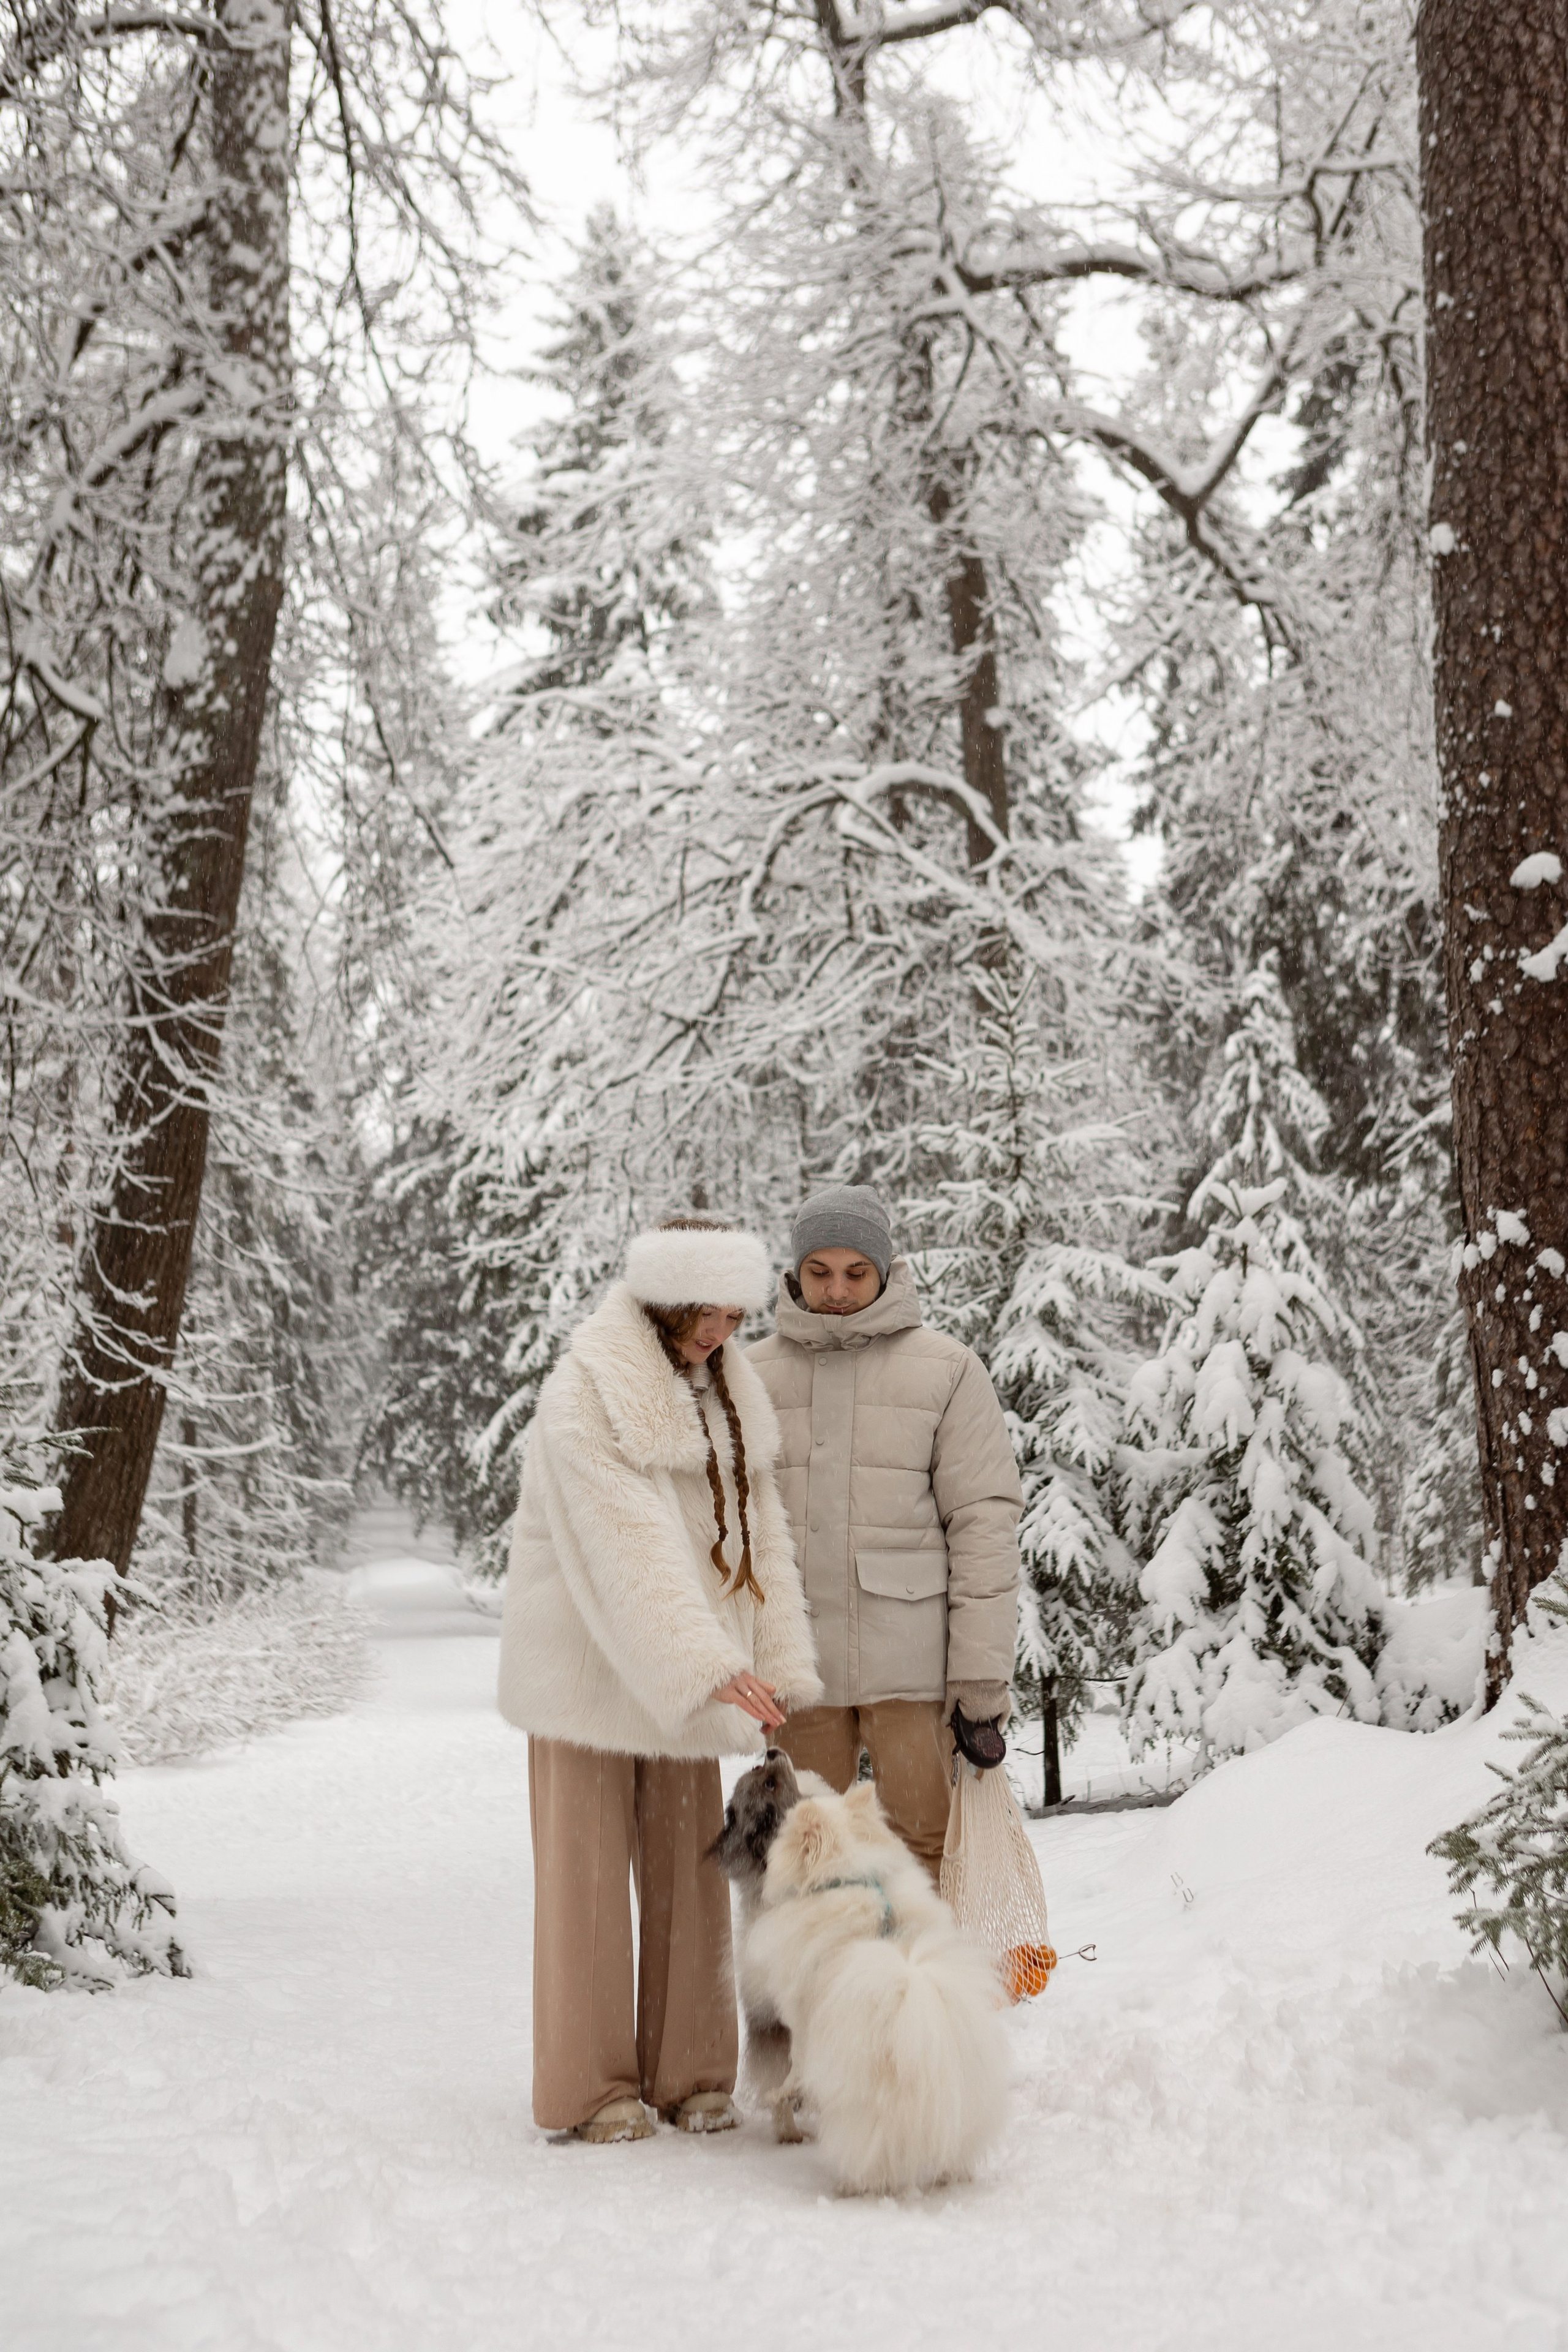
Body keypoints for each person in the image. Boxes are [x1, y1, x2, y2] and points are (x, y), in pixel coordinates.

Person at [498, 1216, 821, 2145]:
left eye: (735, 1313)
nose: (725, 1331)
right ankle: (592, 2088)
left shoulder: (728, 1391)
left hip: (688, 1670)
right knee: (586, 1881)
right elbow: (626, 1546)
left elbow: (759, 1538)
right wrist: (712, 1665)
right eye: (710, 1313)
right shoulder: (586, 1392)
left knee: (691, 1868)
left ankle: (691, 2074)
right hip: (586, 1672)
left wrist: (775, 1661)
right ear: (666, 1302)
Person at [747, 1183, 1022, 1883]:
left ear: (885, 1270)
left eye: (855, 1273)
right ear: (795, 1271)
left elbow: (983, 1523)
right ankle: (824, 1992)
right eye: (819, 1272)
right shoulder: (750, 1373)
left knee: (927, 1842)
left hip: (912, 1661)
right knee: (802, 1853)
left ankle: (934, 1989)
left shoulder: (947, 1369)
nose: (836, 1290)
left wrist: (981, 1673)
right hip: (797, 1665)